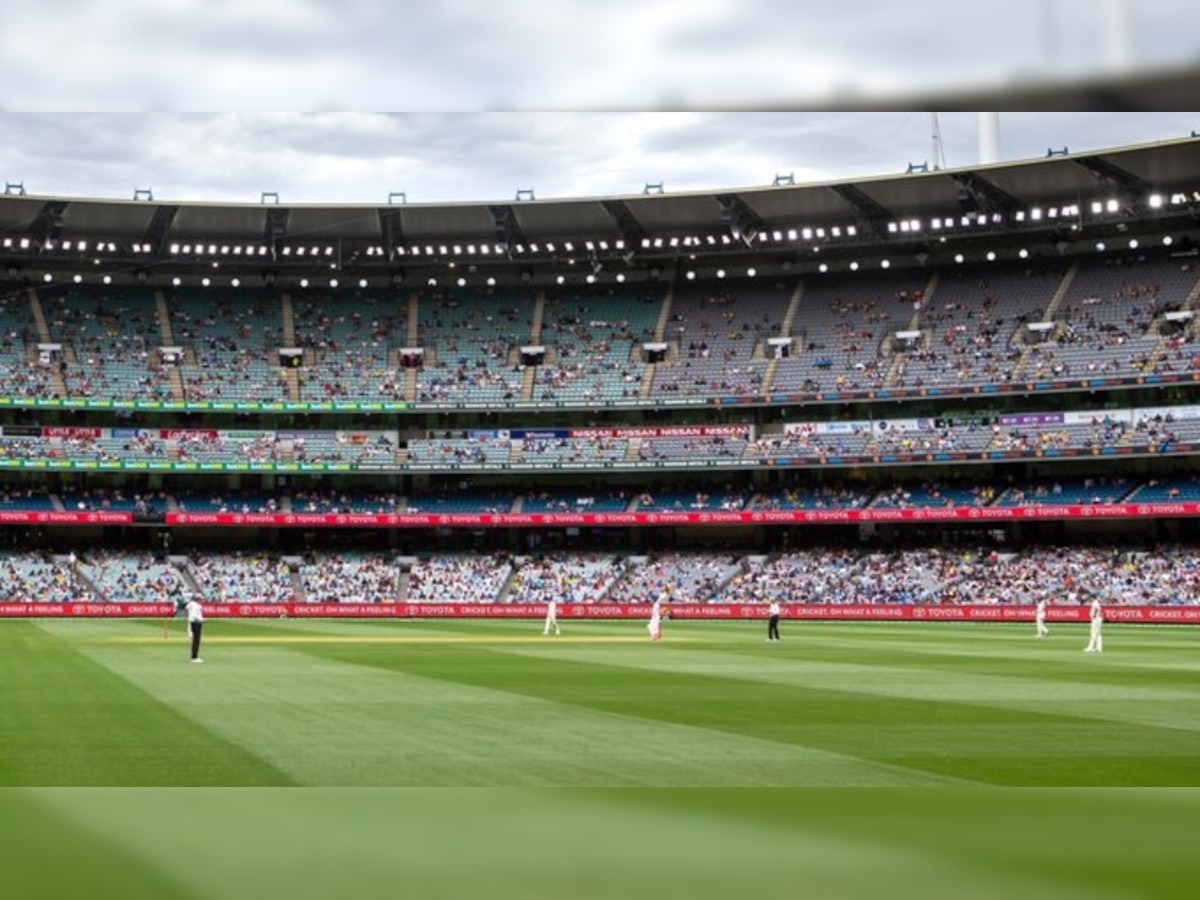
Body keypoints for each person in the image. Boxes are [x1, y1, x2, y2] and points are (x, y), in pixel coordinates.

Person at [186, 596, 205, 663]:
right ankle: (194, 657)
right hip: (196, 623)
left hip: (194, 622)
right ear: (198, 600)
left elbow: (186, 608)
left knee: (196, 640)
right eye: (201, 600)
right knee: (196, 640)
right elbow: (194, 615)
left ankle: (194, 656)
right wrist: (201, 619)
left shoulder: (192, 604)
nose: (202, 601)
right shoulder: (196, 606)